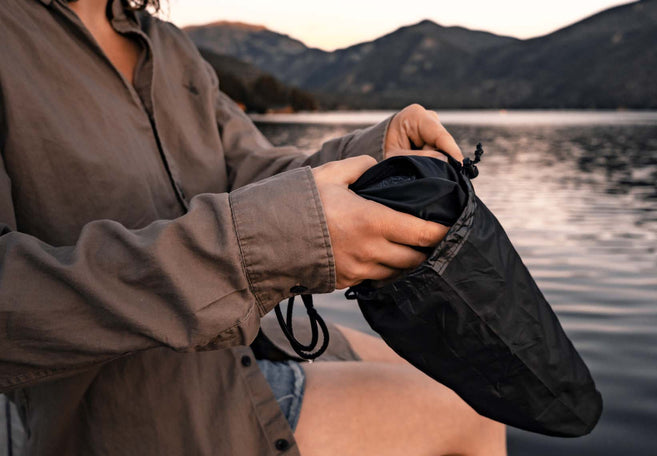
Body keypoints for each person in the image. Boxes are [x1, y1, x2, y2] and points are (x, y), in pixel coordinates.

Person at [0, 0, 507, 455]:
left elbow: (252, 169)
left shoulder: (169, 45)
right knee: (473, 416)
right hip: (140, 409)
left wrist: (376, 160)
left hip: (236, 343)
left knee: (454, 372)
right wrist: (249, 250)